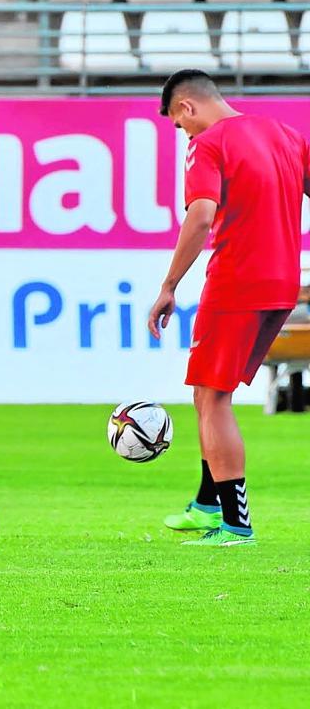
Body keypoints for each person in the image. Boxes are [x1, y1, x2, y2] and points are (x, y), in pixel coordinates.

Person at [147, 69, 309, 547]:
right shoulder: (286, 135)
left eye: (180, 125)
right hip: (282, 284)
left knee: (214, 397)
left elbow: (200, 216)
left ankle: (236, 524)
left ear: (186, 108)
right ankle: (206, 503)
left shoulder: (209, 143)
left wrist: (169, 284)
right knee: (206, 391)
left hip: (237, 281)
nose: (184, 134)